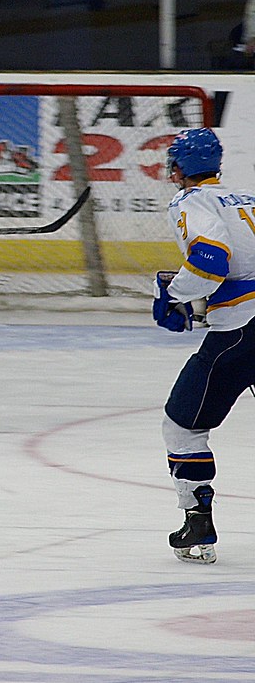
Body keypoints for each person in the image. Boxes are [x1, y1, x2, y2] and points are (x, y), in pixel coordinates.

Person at [153, 127, 255, 564]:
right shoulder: (248, 197)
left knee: (183, 424)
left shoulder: (191, 201)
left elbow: (212, 258)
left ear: (178, 168)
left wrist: (173, 295)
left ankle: (198, 521)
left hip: (242, 331)